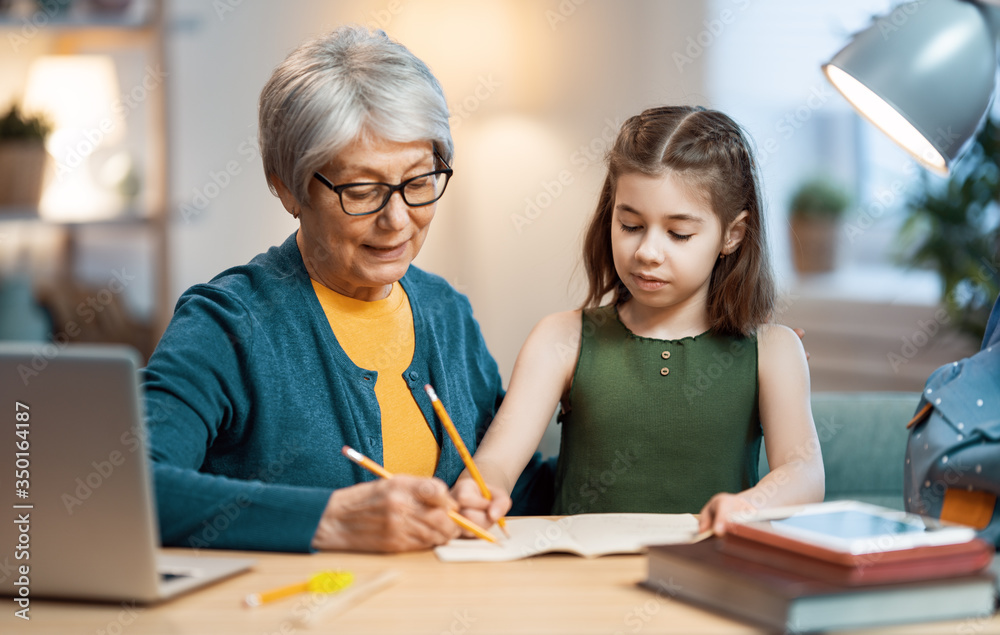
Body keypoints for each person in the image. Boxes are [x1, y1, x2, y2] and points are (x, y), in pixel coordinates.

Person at [143, 26, 549, 554]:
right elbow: (131, 487)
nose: (398, 220)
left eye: (420, 181)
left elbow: (517, 489)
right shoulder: (227, 324)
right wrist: (328, 521)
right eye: (362, 190)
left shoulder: (446, 312)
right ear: (287, 186)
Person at [453, 106, 825, 536]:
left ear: (732, 234)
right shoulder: (561, 336)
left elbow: (804, 472)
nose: (647, 251)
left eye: (678, 234)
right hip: (578, 582)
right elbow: (496, 462)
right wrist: (478, 491)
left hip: (710, 578)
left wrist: (748, 505)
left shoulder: (774, 349)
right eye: (630, 225)